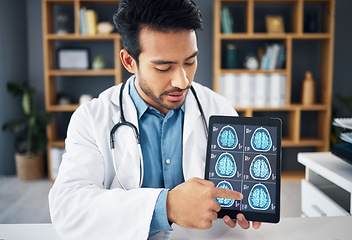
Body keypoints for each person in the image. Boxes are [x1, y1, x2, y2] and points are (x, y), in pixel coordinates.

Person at [49, 0, 261, 239]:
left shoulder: (217, 108)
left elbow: (232, 190)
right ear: (130, 61)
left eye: (190, 61)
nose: (182, 82)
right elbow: (68, 208)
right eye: (164, 67)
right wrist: (167, 206)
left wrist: (238, 204)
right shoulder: (91, 119)